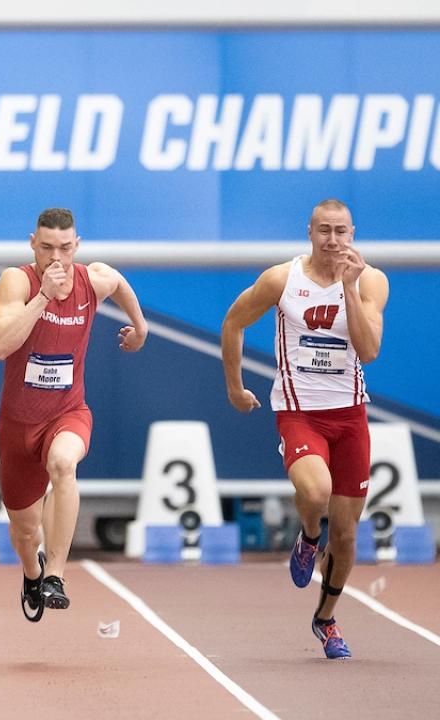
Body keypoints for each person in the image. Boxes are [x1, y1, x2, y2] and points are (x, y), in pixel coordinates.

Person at [221, 198, 388, 660]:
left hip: (350, 414)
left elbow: (369, 350)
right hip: (300, 412)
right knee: (316, 493)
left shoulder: (371, 280)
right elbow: (233, 321)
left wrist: (349, 290)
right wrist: (235, 387)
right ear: (309, 232)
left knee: (349, 534)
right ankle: (308, 536)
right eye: (324, 231)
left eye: (341, 231)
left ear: (352, 233)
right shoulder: (283, 279)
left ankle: (326, 619)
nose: (333, 241)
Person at [0, 208, 147, 622]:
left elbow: (120, 283)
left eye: (64, 248)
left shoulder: (92, 280)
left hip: (68, 412)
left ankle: (56, 575)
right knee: (25, 533)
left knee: (63, 464)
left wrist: (140, 328)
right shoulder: (17, 281)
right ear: (32, 244)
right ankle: (33, 571)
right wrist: (42, 297)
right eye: (46, 248)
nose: (56, 259)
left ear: (77, 245)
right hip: (18, 426)